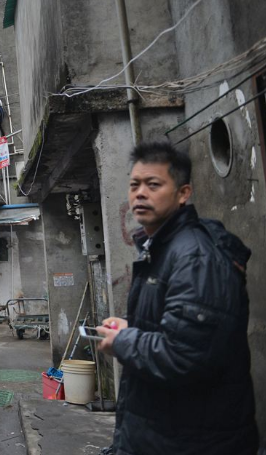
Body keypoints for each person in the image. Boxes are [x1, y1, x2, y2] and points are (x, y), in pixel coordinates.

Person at [96, 140, 258, 455]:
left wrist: (124, 342)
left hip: (192, 440)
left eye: (153, 184)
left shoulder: (195, 257)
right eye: (134, 185)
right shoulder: (161, 248)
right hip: (163, 433)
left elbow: (186, 355)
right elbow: (180, 330)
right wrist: (130, 328)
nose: (140, 193)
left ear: (183, 193)